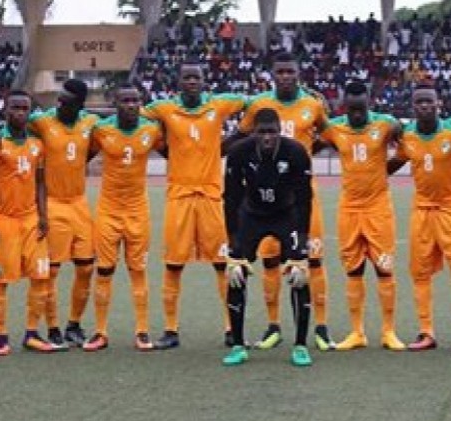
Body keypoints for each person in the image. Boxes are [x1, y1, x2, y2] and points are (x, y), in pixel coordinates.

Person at [231, 52, 334, 351]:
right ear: (272, 74)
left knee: (312, 259)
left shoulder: (313, 105)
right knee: (270, 260)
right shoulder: (259, 106)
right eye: (281, 71)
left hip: (301, 196)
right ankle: (273, 325)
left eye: (291, 71)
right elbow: (238, 139)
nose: (286, 76)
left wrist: (302, 157)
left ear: (298, 73)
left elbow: (328, 135)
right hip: (265, 199)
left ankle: (321, 326)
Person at [142, 62, 247, 349]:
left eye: (196, 77)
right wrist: (165, 149)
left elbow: (252, 104)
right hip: (179, 197)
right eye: (186, 77)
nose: (191, 82)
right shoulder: (164, 109)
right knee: (173, 264)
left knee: (222, 264)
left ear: (204, 81)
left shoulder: (219, 106)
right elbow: (138, 118)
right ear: (178, 82)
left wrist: (227, 143)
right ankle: (171, 330)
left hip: (212, 197)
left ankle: (231, 328)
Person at [222, 109, 315, 367]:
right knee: (236, 273)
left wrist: (303, 236)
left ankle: (300, 346)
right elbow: (230, 196)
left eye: (271, 132)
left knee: (299, 274)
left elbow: (305, 197)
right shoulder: (239, 152)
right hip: (251, 215)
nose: (266, 137)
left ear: (279, 131)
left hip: (287, 215)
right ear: (253, 133)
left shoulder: (296, 152)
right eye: (261, 132)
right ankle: (238, 345)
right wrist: (232, 238)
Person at [317, 81, 405, 351]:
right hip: (349, 209)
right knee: (353, 270)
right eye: (352, 108)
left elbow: (406, 146)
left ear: (369, 101)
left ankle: (388, 332)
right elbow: (310, 148)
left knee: (384, 269)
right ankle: (357, 333)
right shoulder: (335, 129)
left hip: (379, 208)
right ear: (345, 104)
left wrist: (384, 171)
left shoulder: (385, 124)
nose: (356, 113)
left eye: (361, 107)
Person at [386, 87, 451, 352]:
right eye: (419, 102)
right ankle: (426, 332)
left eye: (429, 102)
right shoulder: (407, 136)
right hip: (421, 210)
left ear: (438, 104)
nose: (424, 106)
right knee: (419, 272)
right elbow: (392, 164)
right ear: (413, 106)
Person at [85, 85, 164, 351]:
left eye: (135, 101)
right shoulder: (101, 130)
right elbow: (84, 156)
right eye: (125, 100)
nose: (131, 105)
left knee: (138, 270)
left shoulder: (151, 130)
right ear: (114, 103)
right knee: (104, 270)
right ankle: (100, 332)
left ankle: (142, 331)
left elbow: (173, 152)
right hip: (108, 210)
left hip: (137, 211)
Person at [0, 90, 51, 355]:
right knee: (0, 280)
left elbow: (41, 183)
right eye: (15, 108)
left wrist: (43, 216)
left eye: (25, 108)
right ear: (6, 111)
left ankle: (31, 334)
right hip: (4, 220)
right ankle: (1, 337)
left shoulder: (37, 144)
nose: (20, 113)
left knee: (41, 276)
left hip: (32, 219)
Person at [28, 79, 99, 350]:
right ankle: (53, 327)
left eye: (66, 102)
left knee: (86, 267)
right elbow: (14, 121)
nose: (59, 105)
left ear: (79, 105)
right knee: (52, 272)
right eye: (58, 99)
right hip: (54, 205)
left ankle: (74, 324)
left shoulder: (90, 123)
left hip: (79, 205)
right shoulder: (43, 122)